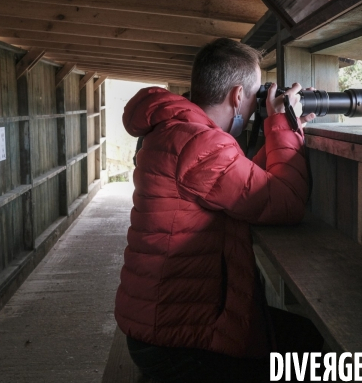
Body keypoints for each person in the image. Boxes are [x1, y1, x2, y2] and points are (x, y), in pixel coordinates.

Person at [115, 38, 323, 382]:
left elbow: (242, 183)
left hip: (165, 321)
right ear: (238, 95)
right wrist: (282, 123)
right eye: (257, 96)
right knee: (309, 350)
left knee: (299, 340)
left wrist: (283, 125)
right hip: (180, 342)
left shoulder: (181, 133)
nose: (258, 105)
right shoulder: (198, 144)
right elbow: (286, 201)